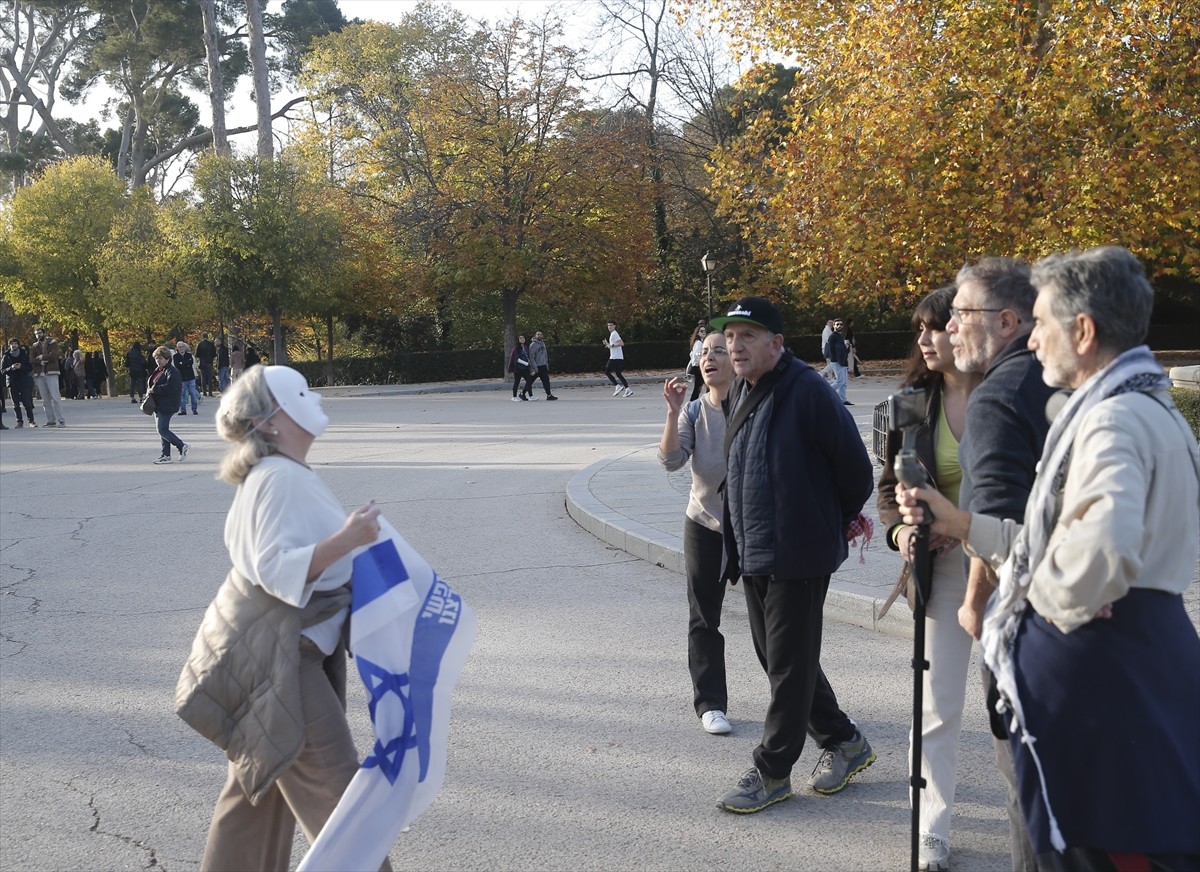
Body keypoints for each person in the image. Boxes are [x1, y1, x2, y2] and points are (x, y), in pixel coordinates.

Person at [897, 246, 1200, 872]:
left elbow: (1099, 558)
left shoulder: (1110, 422)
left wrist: (1045, 604)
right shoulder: (1151, 403)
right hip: (1145, 657)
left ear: (1083, 332)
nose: (1034, 343)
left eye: (1045, 325)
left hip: (1098, 676)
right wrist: (962, 523)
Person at [190, 365, 389, 872]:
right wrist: (348, 539)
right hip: (278, 657)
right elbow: (276, 569)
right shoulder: (277, 479)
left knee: (259, 792)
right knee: (339, 796)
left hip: (266, 650)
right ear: (273, 421)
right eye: (300, 392)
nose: (315, 397)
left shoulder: (279, 473)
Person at [711, 296, 876, 814]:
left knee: (786, 664)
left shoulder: (809, 392)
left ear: (777, 344)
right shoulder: (742, 388)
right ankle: (844, 740)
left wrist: (822, 523)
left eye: (748, 336)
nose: (735, 346)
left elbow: (856, 473)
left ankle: (771, 769)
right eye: (730, 337)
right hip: (755, 547)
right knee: (780, 659)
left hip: (798, 553)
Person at [947, 256, 1056, 871]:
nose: (951, 325)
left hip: (1024, 627)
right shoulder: (1066, 380)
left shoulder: (998, 397)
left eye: (963, 312)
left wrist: (973, 604)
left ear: (1007, 321)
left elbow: (994, 528)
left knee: (1027, 790)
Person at [876, 286, 982, 871]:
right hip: (939, 570)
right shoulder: (912, 403)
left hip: (1007, 563)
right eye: (920, 329)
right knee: (938, 703)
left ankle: (1032, 819)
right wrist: (901, 533)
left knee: (1013, 701)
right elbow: (888, 491)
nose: (924, 339)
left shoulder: (1010, 397)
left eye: (936, 327)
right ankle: (933, 828)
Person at [658, 329, 735, 736]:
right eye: (705, 352)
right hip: (704, 522)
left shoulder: (752, 406)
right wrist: (672, 412)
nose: (710, 358)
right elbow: (670, 460)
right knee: (704, 617)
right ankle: (710, 703)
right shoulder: (693, 412)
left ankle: (809, 703)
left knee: (776, 621)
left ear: (736, 360)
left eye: (719, 351)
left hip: (752, 528)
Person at [148, 346, 188, 464]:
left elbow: (171, 387)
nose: (158, 360)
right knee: (162, 430)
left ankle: (181, 445)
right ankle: (165, 455)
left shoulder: (172, 371)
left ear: (167, 359)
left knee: (162, 429)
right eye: (156, 358)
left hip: (167, 404)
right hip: (158, 404)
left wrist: (155, 389)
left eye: (160, 358)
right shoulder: (159, 370)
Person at [30, 327, 65, 427]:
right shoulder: (34, 346)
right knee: (45, 400)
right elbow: (32, 359)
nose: (38, 335)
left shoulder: (52, 342)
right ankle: (51, 421)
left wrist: (42, 357)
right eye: (36, 334)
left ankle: (61, 420)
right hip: (39, 374)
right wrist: (40, 361)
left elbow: (55, 355)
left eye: (40, 333)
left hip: (51, 372)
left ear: (44, 333)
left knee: (55, 397)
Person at [3, 338, 36, 427]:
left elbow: (29, 368)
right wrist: (11, 368)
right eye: (12, 344)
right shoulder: (6, 356)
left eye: (15, 343)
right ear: (9, 345)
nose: (14, 345)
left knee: (27, 402)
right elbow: (2, 370)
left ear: (18, 345)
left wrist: (21, 367)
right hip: (12, 382)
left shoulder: (24, 354)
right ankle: (19, 422)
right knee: (15, 403)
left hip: (24, 381)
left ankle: (31, 421)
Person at [824, 318, 851, 404]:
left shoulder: (839, 336)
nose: (839, 326)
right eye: (837, 324)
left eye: (841, 324)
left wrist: (846, 347)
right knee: (840, 381)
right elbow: (831, 350)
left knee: (844, 382)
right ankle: (825, 394)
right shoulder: (833, 337)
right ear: (834, 326)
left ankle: (843, 399)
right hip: (837, 361)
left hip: (843, 361)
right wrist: (835, 360)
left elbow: (843, 350)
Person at [603, 320, 632, 397]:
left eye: (611, 325)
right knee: (618, 374)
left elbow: (621, 343)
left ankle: (617, 386)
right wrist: (608, 345)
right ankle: (628, 389)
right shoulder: (613, 334)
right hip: (618, 357)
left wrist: (611, 345)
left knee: (607, 372)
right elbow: (614, 345)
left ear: (615, 326)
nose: (609, 327)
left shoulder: (614, 334)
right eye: (608, 325)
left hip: (615, 358)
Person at [528, 330, 557, 400]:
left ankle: (549, 395)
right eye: (538, 334)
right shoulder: (533, 345)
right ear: (535, 336)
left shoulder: (542, 343)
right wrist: (534, 367)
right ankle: (522, 394)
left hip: (543, 365)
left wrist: (546, 364)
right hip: (536, 367)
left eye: (541, 334)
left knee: (546, 380)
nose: (540, 336)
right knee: (530, 381)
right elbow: (531, 357)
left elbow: (545, 355)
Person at [174, 341, 200, 415]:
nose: (181, 348)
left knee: (193, 394)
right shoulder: (175, 357)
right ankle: (183, 410)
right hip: (182, 379)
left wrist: (182, 363)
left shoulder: (189, 355)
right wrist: (185, 364)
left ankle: (194, 409)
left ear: (185, 348)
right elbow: (177, 365)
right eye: (180, 347)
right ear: (177, 348)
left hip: (190, 377)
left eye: (182, 346)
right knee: (181, 395)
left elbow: (190, 363)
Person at [508, 334, 536, 402]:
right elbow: (516, 359)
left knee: (529, 381)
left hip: (525, 368)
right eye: (520, 338)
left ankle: (531, 396)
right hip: (518, 368)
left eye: (523, 338)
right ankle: (514, 396)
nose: (522, 339)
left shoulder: (526, 347)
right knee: (517, 382)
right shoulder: (516, 348)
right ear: (518, 340)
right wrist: (525, 363)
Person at [685, 323, 708, 402]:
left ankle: (696, 402)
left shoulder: (699, 342)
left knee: (700, 387)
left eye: (705, 331)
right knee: (700, 387)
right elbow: (696, 355)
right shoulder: (699, 343)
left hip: (697, 367)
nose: (704, 332)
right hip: (698, 367)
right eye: (701, 331)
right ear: (697, 333)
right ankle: (693, 404)